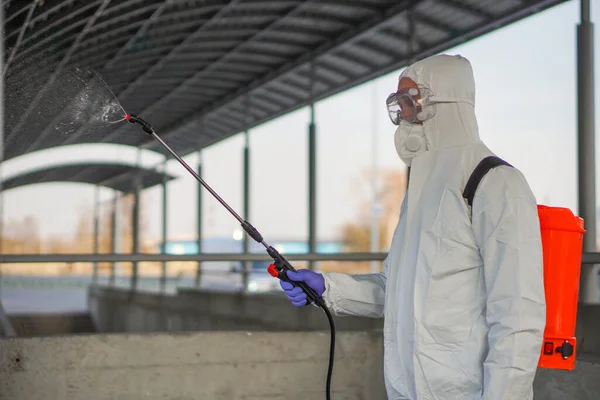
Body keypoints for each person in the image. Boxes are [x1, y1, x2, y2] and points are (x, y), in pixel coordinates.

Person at [280, 54, 546, 399]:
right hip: (405, 389)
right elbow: (396, 293)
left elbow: (518, 314)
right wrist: (327, 289)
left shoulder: (494, 182)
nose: (402, 112)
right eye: (398, 102)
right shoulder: (421, 193)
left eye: (411, 99)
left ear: (446, 102)